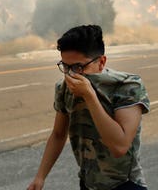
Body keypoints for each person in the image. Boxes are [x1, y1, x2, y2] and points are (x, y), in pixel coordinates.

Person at [27, 25, 150, 190]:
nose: (71, 75)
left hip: (125, 184)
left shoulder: (126, 86)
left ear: (101, 62)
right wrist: (40, 177)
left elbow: (120, 146)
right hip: (88, 183)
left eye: (78, 67)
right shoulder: (64, 88)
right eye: (65, 67)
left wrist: (90, 96)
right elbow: (58, 134)